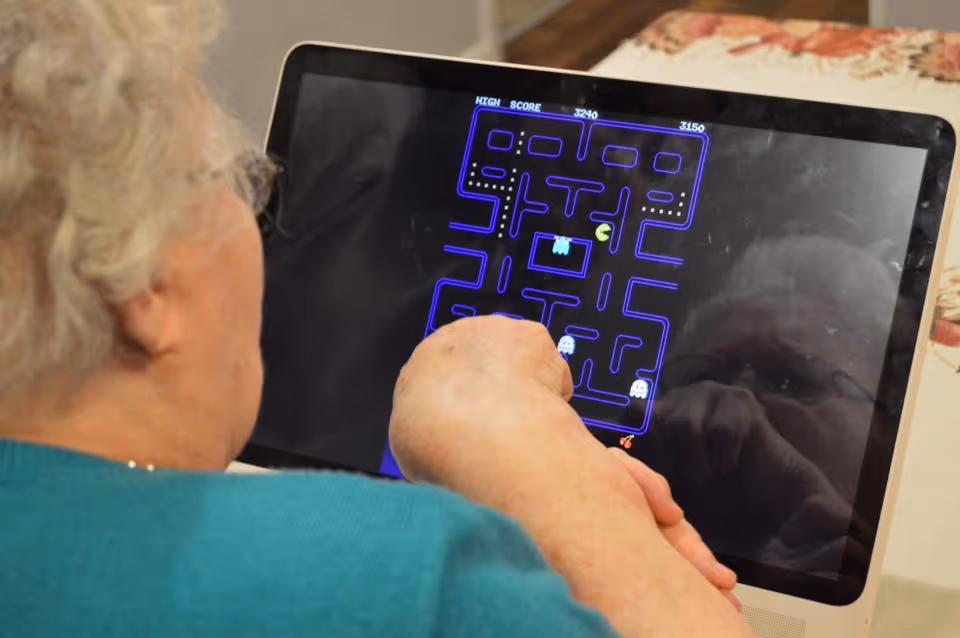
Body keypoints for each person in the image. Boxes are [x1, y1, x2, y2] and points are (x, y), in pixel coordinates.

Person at [0, 2, 751, 637]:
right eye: (231, 180)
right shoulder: (404, 577)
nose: (251, 207)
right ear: (143, 285)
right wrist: (524, 453)